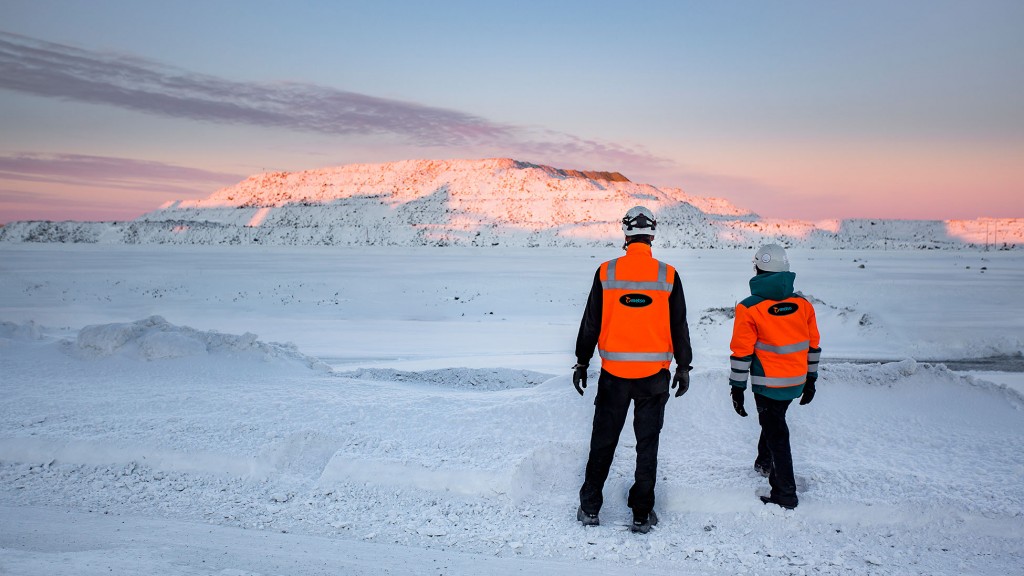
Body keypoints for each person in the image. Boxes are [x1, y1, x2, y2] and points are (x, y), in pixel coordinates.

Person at [573, 206, 692, 534]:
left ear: (625, 234)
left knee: (603, 441)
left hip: (614, 378)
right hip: (654, 378)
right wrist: (683, 366)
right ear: (652, 234)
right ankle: (641, 513)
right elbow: (678, 325)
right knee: (646, 446)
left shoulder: (606, 272)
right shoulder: (668, 275)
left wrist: (582, 361)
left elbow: (591, 324)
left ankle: (590, 508)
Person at [728, 243, 821, 510]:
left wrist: (736, 387)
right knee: (774, 419)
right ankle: (763, 462)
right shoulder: (803, 305)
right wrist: (811, 380)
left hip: (767, 384)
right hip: (796, 382)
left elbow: (742, 352)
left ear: (758, 269)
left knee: (776, 430)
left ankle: (785, 492)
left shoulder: (749, 308)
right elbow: (813, 346)